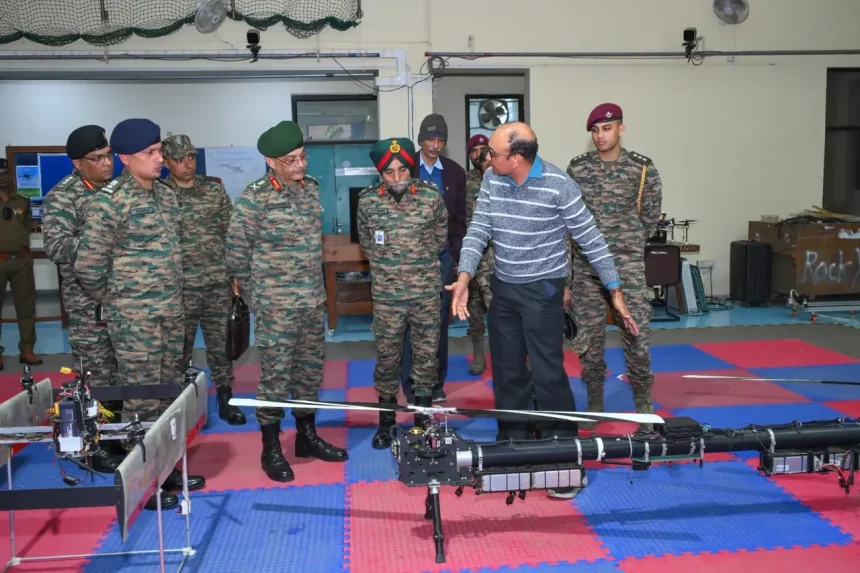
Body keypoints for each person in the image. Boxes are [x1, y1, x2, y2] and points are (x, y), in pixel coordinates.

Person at [447, 122, 639, 500]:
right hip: (503, 289)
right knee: (507, 374)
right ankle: (512, 451)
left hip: (542, 291)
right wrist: (466, 276)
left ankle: (564, 460)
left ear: (517, 158)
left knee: (549, 376)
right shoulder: (492, 180)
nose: (488, 158)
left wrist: (615, 290)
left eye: (495, 153)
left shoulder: (558, 185)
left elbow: (590, 238)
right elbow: (479, 229)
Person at [74, 118, 206, 510]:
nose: (160, 157)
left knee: (168, 397)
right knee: (141, 401)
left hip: (171, 315)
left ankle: (165, 471)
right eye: (151, 153)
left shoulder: (165, 196)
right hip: (136, 323)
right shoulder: (108, 203)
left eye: (160, 150)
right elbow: (88, 268)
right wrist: (122, 302)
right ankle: (144, 483)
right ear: (126, 158)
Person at [226, 120, 348, 483]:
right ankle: (271, 446)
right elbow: (235, 254)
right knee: (276, 378)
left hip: (312, 301)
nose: (300, 166)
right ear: (270, 161)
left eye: (302, 157)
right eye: (290, 160)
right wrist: (257, 295)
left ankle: (306, 437)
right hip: (276, 306)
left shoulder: (310, 189)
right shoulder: (254, 198)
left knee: (309, 374)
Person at [566, 103, 662, 433]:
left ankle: (644, 406)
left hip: (627, 267)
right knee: (588, 340)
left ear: (621, 129)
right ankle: (595, 400)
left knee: (637, 337)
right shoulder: (578, 169)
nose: (600, 135)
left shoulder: (642, 169)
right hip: (587, 269)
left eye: (606, 129)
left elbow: (650, 218)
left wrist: (628, 245)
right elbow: (568, 221)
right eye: (595, 130)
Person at [41, 125, 125, 472]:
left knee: (122, 371)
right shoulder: (63, 197)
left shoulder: (121, 190)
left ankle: (117, 436)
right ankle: (94, 446)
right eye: (97, 159)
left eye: (108, 156)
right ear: (78, 163)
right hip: (86, 302)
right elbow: (57, 247)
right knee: (95, 373)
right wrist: (101, 242)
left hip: (123, 297)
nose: (107, 164)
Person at [356, 138, 448, 449]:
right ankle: (386, 422)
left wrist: (416, 266)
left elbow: (440, 238)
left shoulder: (430, 196)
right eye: (389, 172)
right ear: (379, 173)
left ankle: (422, 422)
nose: (396, 178)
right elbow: (367, 244)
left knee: (425, 358)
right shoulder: (368, 201)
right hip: (386, 297)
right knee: (386, 359)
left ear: (411, 169)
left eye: (402, 171)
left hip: (424, 294)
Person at [161, 134, 245, 426]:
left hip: (216, 283)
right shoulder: (159, 194)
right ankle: (182, 404)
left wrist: (236, 275)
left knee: (221, 345)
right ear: (166, 162)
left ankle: (225, 397)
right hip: (179, 288)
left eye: (192, 157)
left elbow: (231, 234)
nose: (188, 164)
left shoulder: (213, 190)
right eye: (180, 159)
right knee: (177, 350)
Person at [400, 113, 466, 403]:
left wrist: (455, 256)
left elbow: (461, 219)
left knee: (438, 322)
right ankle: (410, 383)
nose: (435, 145)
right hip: (408, 261)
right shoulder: (404, 167)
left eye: (440, 140)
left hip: (442, 259)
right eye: (430, 139)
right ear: (420, 140)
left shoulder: (454, 172)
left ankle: (436, 382)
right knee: (408, 323)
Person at [0, 157, 43, 369]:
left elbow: (26, 227)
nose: (1, 178)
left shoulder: (22, 200)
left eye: (4, 174)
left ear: (10, 175)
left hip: (22, 261)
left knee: (26, 308)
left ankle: (27, 350)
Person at [463, 134, 493, 375]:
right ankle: (479, 356)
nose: (480, 155)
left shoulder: (501, 178)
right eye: (475, 151)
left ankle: (513, 356)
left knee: (501, 310)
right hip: (474, 256)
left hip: (499, 258)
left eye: (484, 149)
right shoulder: (465, 182)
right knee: (475, 310)